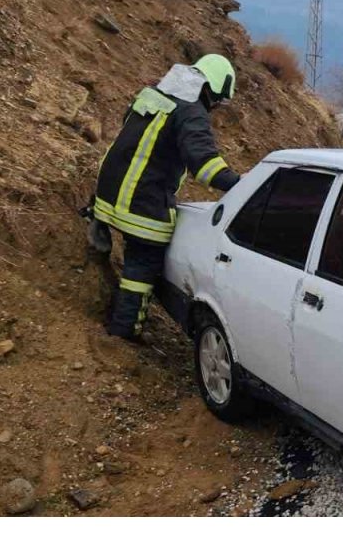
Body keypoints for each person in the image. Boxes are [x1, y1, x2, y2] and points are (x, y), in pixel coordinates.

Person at [87, 54, 242, 340]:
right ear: (210, 89)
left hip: (108, 191)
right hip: (142, 202)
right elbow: (204, 164)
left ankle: (99, 231)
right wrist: (242, 186)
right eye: (218, 101)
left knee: (135, 251)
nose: (216, 108)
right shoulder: (192, 111)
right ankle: (123, 333)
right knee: (142, 265)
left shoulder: (154, 95)